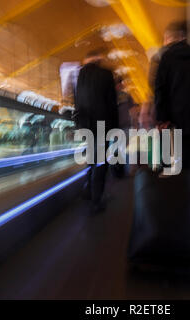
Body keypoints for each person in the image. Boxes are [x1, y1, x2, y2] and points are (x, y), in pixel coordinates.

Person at [154, 21, 190, 171]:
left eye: (166, 38)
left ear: (173, 38)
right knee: (188, 157)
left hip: (173, 119)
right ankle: (187, 188)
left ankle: (170, 188)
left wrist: (162, 118)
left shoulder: (167, 57)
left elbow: (160, 89)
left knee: (169, 156)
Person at [75, 48, 119, 213]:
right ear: (97, 59)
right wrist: (115, 129)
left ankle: (88, 191)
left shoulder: (80, 76)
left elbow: (77, 101)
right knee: (100, 163)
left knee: (91, 159)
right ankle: (96, 201)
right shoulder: (106, 75)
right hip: (102, 125)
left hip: (86, 125)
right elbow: (111, 104)